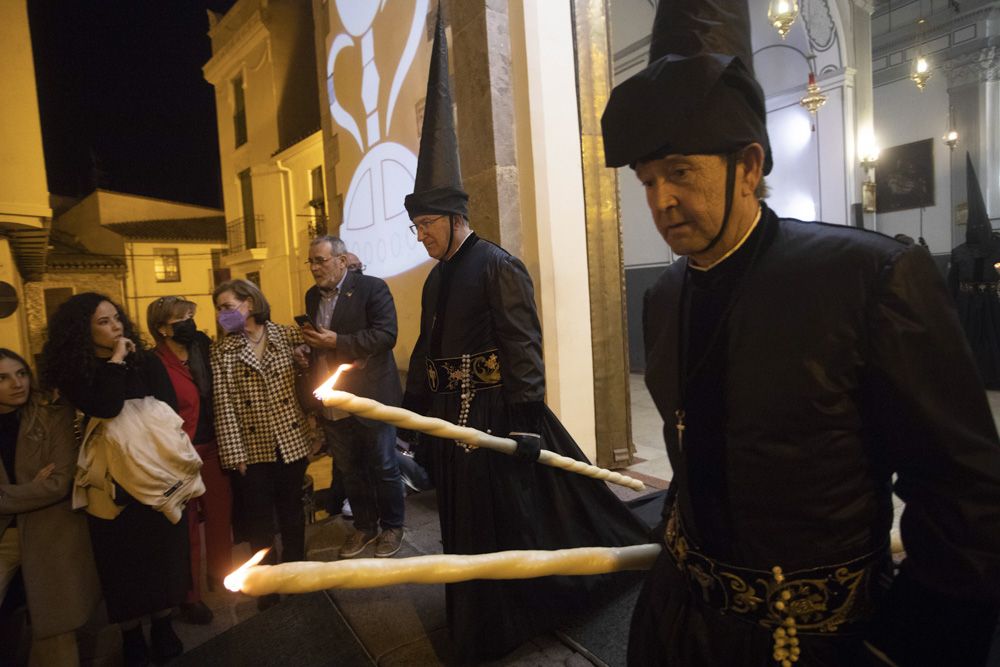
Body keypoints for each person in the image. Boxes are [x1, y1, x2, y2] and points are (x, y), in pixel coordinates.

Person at [600, 1, 1000, 664]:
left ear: (749, 165)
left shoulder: (868, 279)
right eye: (647, 180)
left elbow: (967, 499)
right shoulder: (665, 297)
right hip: (677, 627)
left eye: (679, 173)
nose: (660, 201)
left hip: (820, 646)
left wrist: (906, 641)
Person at [401, 10, 646, 661]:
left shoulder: (497, 266)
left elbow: (522, 346)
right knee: (466, 531)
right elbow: (429, 351)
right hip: (456, 428)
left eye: (426, 223)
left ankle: (508, 623)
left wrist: (525, 418)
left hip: (495, 417)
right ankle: (476, 620)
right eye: (416, 226)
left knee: (509, 526)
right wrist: (416, 415)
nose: (420, 235)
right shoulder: (437, 278)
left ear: (454, 216)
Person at [41, 293, 190, 666]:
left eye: (116, 318)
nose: (116, 326)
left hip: (152, 472)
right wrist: (118, 362)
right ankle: (131, 634)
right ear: (82, 331)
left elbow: (170, 409)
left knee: (160, 551)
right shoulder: (77, 369)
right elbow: (105, 406)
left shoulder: (147, 362)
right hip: (108, 478)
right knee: (120, 559)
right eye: (103, 322)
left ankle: (162, 624)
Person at [298, 235, 405, 559]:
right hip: (333, 399)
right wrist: (307, 349)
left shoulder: (372, 288)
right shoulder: (311, 297)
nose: (315, 267)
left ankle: (393, 527)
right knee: (350, 470)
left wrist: (338, 342)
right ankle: (364, 526)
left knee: (384, 466)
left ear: (342, 261)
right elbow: (322, 343)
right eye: (312, 261)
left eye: (321, 260)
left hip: (370, 394)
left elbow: (386, 335)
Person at [211, 279, 314, 610]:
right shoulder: (222, 350)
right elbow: (223, 405)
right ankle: (268, 588)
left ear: (249, 304)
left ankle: (297, 580)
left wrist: (305, 365)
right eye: (219, 309)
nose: (222, 314)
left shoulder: (286, 335)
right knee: (260, 526)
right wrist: (234, 454)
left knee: (293, 517)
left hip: (291, 440)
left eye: (227, 307)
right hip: (252, 451)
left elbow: (310, 375)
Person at [0, 348, 101, 666]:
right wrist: (32, 487)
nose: (17, 384)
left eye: (21, 374)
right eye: (3, 378)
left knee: (56, 625)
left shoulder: (52, 415)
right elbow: (46, 485)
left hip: (50, 530)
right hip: (5, 536)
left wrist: (6, 496)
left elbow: (60, 482)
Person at [147, 297, 233, 624]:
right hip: (180, 454)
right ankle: (190, 596)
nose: (190, 322)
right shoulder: (154, 363)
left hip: (214, 445)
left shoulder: (202, 348)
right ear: (162, 328)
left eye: (190, 315)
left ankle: (223, 575)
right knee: (187, 528)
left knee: (220, 516)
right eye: (181, 318)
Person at [948, 153, 1000, 388]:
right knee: (968, 342)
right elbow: (952, 282)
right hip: (967, 304)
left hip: (993, 304)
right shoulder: (959, 251)